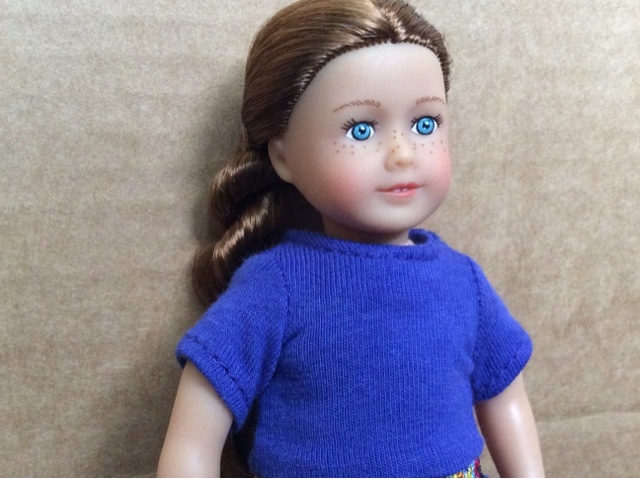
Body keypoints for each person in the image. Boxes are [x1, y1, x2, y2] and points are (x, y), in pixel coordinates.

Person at [157, 0, 545, 476]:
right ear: (283, 157)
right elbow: (193, 441)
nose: (403, 154)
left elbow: (506, 399)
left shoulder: (463, 281)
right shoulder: (277, 285)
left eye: (426, 124)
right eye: (361, 130)